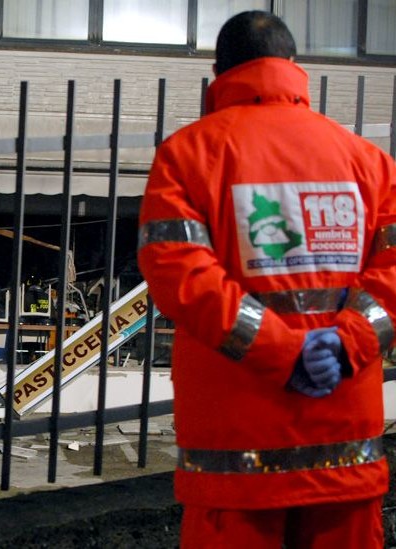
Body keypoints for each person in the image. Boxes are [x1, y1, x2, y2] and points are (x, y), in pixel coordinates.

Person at [137, 10, 395, 547]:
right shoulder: (370, 162)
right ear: (293, 66)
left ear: (217, 72)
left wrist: (282, 352)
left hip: (235, 453)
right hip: (345, 438)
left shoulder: (187, 156)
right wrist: (345, 344)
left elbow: (179, 272)